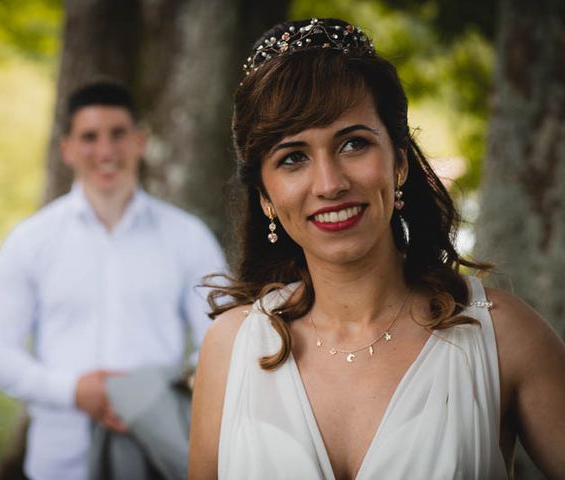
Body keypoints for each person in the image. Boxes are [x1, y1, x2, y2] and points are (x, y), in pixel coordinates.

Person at [188, 18, 565, 480]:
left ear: (400, 162)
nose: (330, 183)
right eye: (293, 157)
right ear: (265, 196)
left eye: (353, 143)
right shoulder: (229, 348)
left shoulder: (503, 336)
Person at [0, 81, 225, 480]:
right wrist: (71, 390)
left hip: (159, 452)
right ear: (67, 150)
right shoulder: (31, 240)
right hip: (61, 461)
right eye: (89, 137)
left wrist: (153, 394)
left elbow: (223, 336)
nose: (106, 151)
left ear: (140, 141)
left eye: (118, 134)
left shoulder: (187, 236)